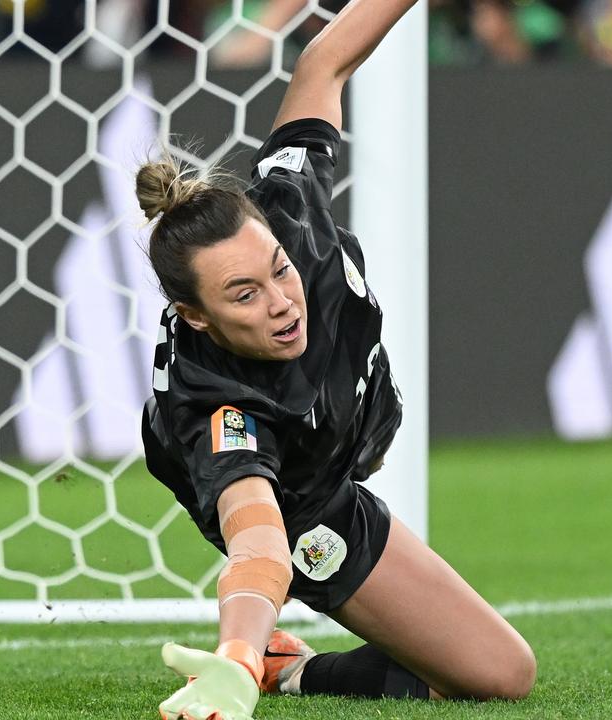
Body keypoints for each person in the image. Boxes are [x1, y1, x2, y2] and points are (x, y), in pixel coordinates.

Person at [137, 0, 536, 716]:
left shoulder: (290, 208)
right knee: (500, 675)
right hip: (304, 499)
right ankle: (279, 666)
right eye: (243, 295)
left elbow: (325, 61)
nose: (281, 301)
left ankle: (282, 658)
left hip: (350, 426)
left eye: (277, 271)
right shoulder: (218, 409)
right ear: (193, 314)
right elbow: (257, 538)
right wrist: (236, 654)